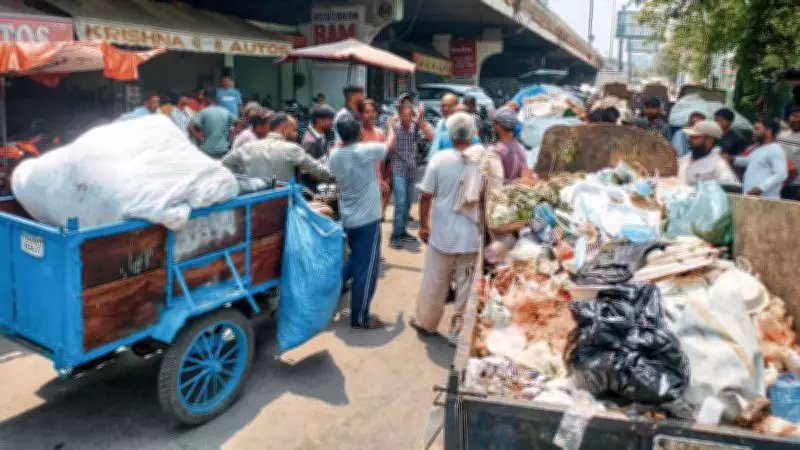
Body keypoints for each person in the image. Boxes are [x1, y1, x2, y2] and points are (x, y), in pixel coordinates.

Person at [409, 112, 501, 344]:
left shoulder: (439, 159)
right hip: (471, 238)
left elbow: (426, 197)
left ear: (449, 135)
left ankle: (426, 323)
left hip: (441, 237)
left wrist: (424, 226)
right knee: (465, 289)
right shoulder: (484, 161)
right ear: (473, 134)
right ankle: (457, 334)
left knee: (434, 283)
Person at [328, 114, 389, 330]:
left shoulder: (334, 154)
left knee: (355, 261)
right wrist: (390, 126)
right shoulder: (365, 150)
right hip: (367, 221)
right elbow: (387, 146)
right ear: (360, 133)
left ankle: (329, 293)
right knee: (367, 270)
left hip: (349, 219)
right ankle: (361, 317)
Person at [222, 112, 333, 183]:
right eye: (294, 130)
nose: (296, 134)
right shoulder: (292, 149)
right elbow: (320, 170)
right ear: (284, 128)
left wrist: (242, 179)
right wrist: (334, 177)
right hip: (282, 208)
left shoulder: (247, 147)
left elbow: (224, 163)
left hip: (253, 208)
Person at [386, 104, 434, 249]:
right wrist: (393, 121)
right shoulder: (395, 128)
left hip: (411, 168)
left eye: (409, 115)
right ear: (400, 115)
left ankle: (402, 231)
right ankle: (395, 235)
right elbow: (391, 146)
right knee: (400, 202)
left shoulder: (413, 128)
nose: (407, 118)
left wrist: (419, 117)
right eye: (404, 115)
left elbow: (424, 132)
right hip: (399, 168)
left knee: (407, 202)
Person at [725, 118, 788, 198]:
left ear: (769, 131)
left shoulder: (775, 149)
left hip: (767, 200)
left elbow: (781, 174)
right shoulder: (758, 148)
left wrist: (761, 188)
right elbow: (749, 161)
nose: (753, 132)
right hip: (753, 198)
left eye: (757, 129)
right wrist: (732, 159)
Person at [678, 120, 740, 188]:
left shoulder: (718, 163)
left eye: (695, 137)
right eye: (690, 136)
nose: (689, 139)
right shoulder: (684, 159)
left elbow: (733, 186)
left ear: (710, 140)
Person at [359, 99, 392, 222]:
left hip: (378, 181)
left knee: (375, 218)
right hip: (362, 183)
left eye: (373, 111)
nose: (371, 115)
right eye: (367, 112)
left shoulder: (380, 133)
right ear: (360, 115)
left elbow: (382, 160)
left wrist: (382, 178)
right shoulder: (358, 135)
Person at [428, 93, 480, 160]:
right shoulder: (440, 123)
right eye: (443, 106)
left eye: (449, 106)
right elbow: (435, 141)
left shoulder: (470, 131)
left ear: (456, 106)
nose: (445, 109)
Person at [189, 88, 238, 158]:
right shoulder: (225, 111)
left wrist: (199, 138)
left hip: (207, 150)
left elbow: (190, 127)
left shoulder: (203, 112)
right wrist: (231, 133)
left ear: (205, 98)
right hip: (223, 148)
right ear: (217, 98)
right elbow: (239, 123)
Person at [492, 108, 527, 183]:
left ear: (496, 125)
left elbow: (493, 182)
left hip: (499, 193)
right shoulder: (521, 148)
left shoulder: (497, 151)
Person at [777, 106, 800, 199]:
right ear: (789, 118)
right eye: (794, 116)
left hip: (796, 185)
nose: (797, 120)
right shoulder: (781, 135)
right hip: (779, 182)